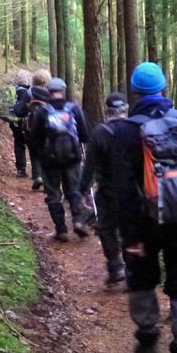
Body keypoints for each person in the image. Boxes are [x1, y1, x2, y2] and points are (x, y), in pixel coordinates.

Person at [110, 62, 177, 353]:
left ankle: (147, 337)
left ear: (135, 92)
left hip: (143, 223)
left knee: (141, 279)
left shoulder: (125, 132)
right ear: (163, 88)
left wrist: (128, 236)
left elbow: (124, 190)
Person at [29, 77, 90, 241]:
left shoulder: (42, 111)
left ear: (48, 92)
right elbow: (84, 135)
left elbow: (35, 138)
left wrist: (42, 153)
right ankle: (78, 221)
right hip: (73, 158)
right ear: (64, 91)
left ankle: (61, 230)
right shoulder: (74, 109)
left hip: (50, 161)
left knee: (54, 194)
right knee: (75, 190)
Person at [79, 92, 128, 288]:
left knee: (107, 228)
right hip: (133, 192)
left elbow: (89, 165)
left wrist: (83, 190)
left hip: (107, 191)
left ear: (107, 111)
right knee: (130, 229)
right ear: (125, 109)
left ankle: (115, 267)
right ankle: (133, 270)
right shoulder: (135, 130)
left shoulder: (99, 132)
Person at [14, 69, 52, 190]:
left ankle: (37, 176)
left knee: (34, 152)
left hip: (31, 128)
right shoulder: (51, 94)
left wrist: (26, 110)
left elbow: (18, 110)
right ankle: (47, 181)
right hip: (48, 129)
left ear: (34, 80)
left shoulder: (29, 93)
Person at [5, 69, 32, 178]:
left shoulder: (12, 90)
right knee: (31, 144)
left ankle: (21, 169)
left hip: (13, 122)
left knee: (19, 144)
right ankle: (36, 173)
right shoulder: (26, 92)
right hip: (25, 122)